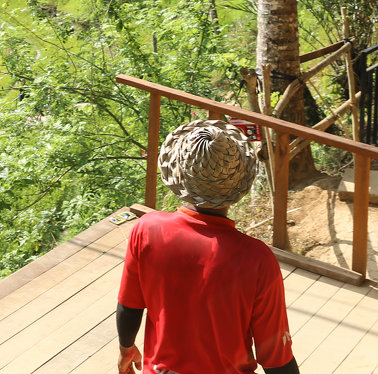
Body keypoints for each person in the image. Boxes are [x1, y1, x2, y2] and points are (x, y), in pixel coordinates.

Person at [117, 119, 298, 374]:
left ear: (178, 176)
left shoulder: (147, 230)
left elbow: (129, 305)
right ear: (240, 188)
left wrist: (127, 348)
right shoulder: (256, 259)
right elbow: (276, 359)